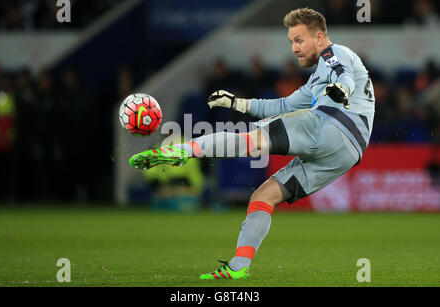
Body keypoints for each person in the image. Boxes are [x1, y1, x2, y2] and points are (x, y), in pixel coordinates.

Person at [129, 8, 375, 280]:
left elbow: (343, 75)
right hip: (347, 152)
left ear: (319, 37)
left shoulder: (335, 53)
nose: (294, 48)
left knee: (250, 140)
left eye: (299, 40)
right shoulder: (317, 79)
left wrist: (342, 89)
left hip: (331, 125)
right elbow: (283, 105)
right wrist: (236, 103)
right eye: (291, 41)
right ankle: (238, 267)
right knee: (263, 197)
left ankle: (182, 151)